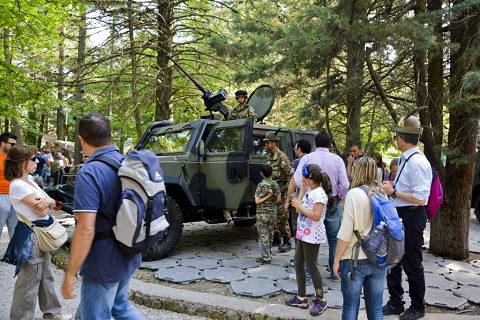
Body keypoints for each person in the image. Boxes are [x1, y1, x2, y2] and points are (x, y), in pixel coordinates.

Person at [61, 113, 143, 319]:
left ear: (81, 139)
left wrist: (70, 273)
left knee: (96, 315)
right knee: (119, 306)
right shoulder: (127, 162)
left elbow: (85, 228)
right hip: (130, 250)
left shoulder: (90, 173)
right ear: (110, 135)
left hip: (103, 260)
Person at [2, 145, 71, 320]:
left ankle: (52, 313)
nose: (37, 161)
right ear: (21, 163)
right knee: (29, 281)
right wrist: (47, 202)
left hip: (39, 233)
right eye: (33, 159)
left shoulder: (30, 180)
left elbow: (52, 203)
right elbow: (43, 211)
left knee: (46, 276)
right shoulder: (18, 185)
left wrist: (47, 201)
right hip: (31, 236)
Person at [380, 116, 432, 320]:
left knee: (412, 263)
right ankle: (396, 302)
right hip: (400, 215)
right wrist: (392, 191)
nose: (396, 140)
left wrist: (393, 192)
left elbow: (421, 199)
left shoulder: (417, 162)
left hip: (412, 216)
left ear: (402, 138)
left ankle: (418, 307)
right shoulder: (405, 159)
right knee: (393, 260)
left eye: (397, 137)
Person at [286, 129, 349, 281]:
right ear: (329, 143)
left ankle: (307, 272)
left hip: (310, 201)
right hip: (332, 201)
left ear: (315, 143)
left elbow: (298, 179)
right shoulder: (338, 160)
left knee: (308, 237)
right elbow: (345, 184)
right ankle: (335, 272)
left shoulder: (307, 158)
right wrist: (339, 196)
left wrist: (305, 192)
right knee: (334, 238)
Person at [333, 156, 388, 320]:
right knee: (376, 310)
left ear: (357, 171)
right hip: (379, 257)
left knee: (350, 308)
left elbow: (345, 233)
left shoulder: (354, 194)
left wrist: (336, 260)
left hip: (355, 259)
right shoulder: (382, 193)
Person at [285, 164, 334, 316]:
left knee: (311, 266)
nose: (301, 179)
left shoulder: (319, 194)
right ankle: (301, 297)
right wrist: (301, 194)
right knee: (298, 263)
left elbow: (316, 216)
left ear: (309, 178)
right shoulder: (310, 191)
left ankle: (321, 299)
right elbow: (299, 210)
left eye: (303, 177)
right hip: (303, 234)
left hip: (312, 236)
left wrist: (299, 204)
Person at [264, 131, 292, 252]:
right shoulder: (269, 157)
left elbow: (289, 178)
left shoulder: (282, 157)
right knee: (272, 216)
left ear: (274, 143)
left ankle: (287, 241)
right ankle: (276, 238)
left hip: (282, 191)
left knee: (282, 217)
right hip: (272, 191)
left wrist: (283, 195)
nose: (266, 145)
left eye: (268, 143)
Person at [254, 164, 280, 264]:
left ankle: (266, 258)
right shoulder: (275, 184)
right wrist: (272, 200)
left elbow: (257, 201)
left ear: (262, 173)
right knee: (270, 234)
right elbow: (278, 200)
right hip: (273, 213)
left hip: (262, 213)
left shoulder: (261, 185)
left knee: (263, 235)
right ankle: (268, 254)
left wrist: (268, 196)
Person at [0, 132, 18, 240]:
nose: (14, 147)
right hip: (1, 195)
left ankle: (14, 255)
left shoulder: (12, 159)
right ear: (2, 143)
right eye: (12, 144)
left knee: (15, 228)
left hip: (14, 196)